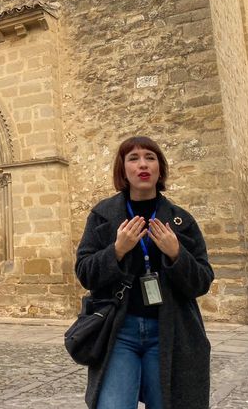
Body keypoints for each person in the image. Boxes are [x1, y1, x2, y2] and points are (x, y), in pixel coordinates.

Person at [75, 135, 214, 409]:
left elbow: (202, 281)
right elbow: (84, 272)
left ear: (159, 168)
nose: (143, 165)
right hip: (119, 330)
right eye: (133, 158)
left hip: (169, 331)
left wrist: (176, 254)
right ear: (123, 169)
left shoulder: (181, 220)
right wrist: (116, 250)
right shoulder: (103, 216)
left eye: (150, 158)